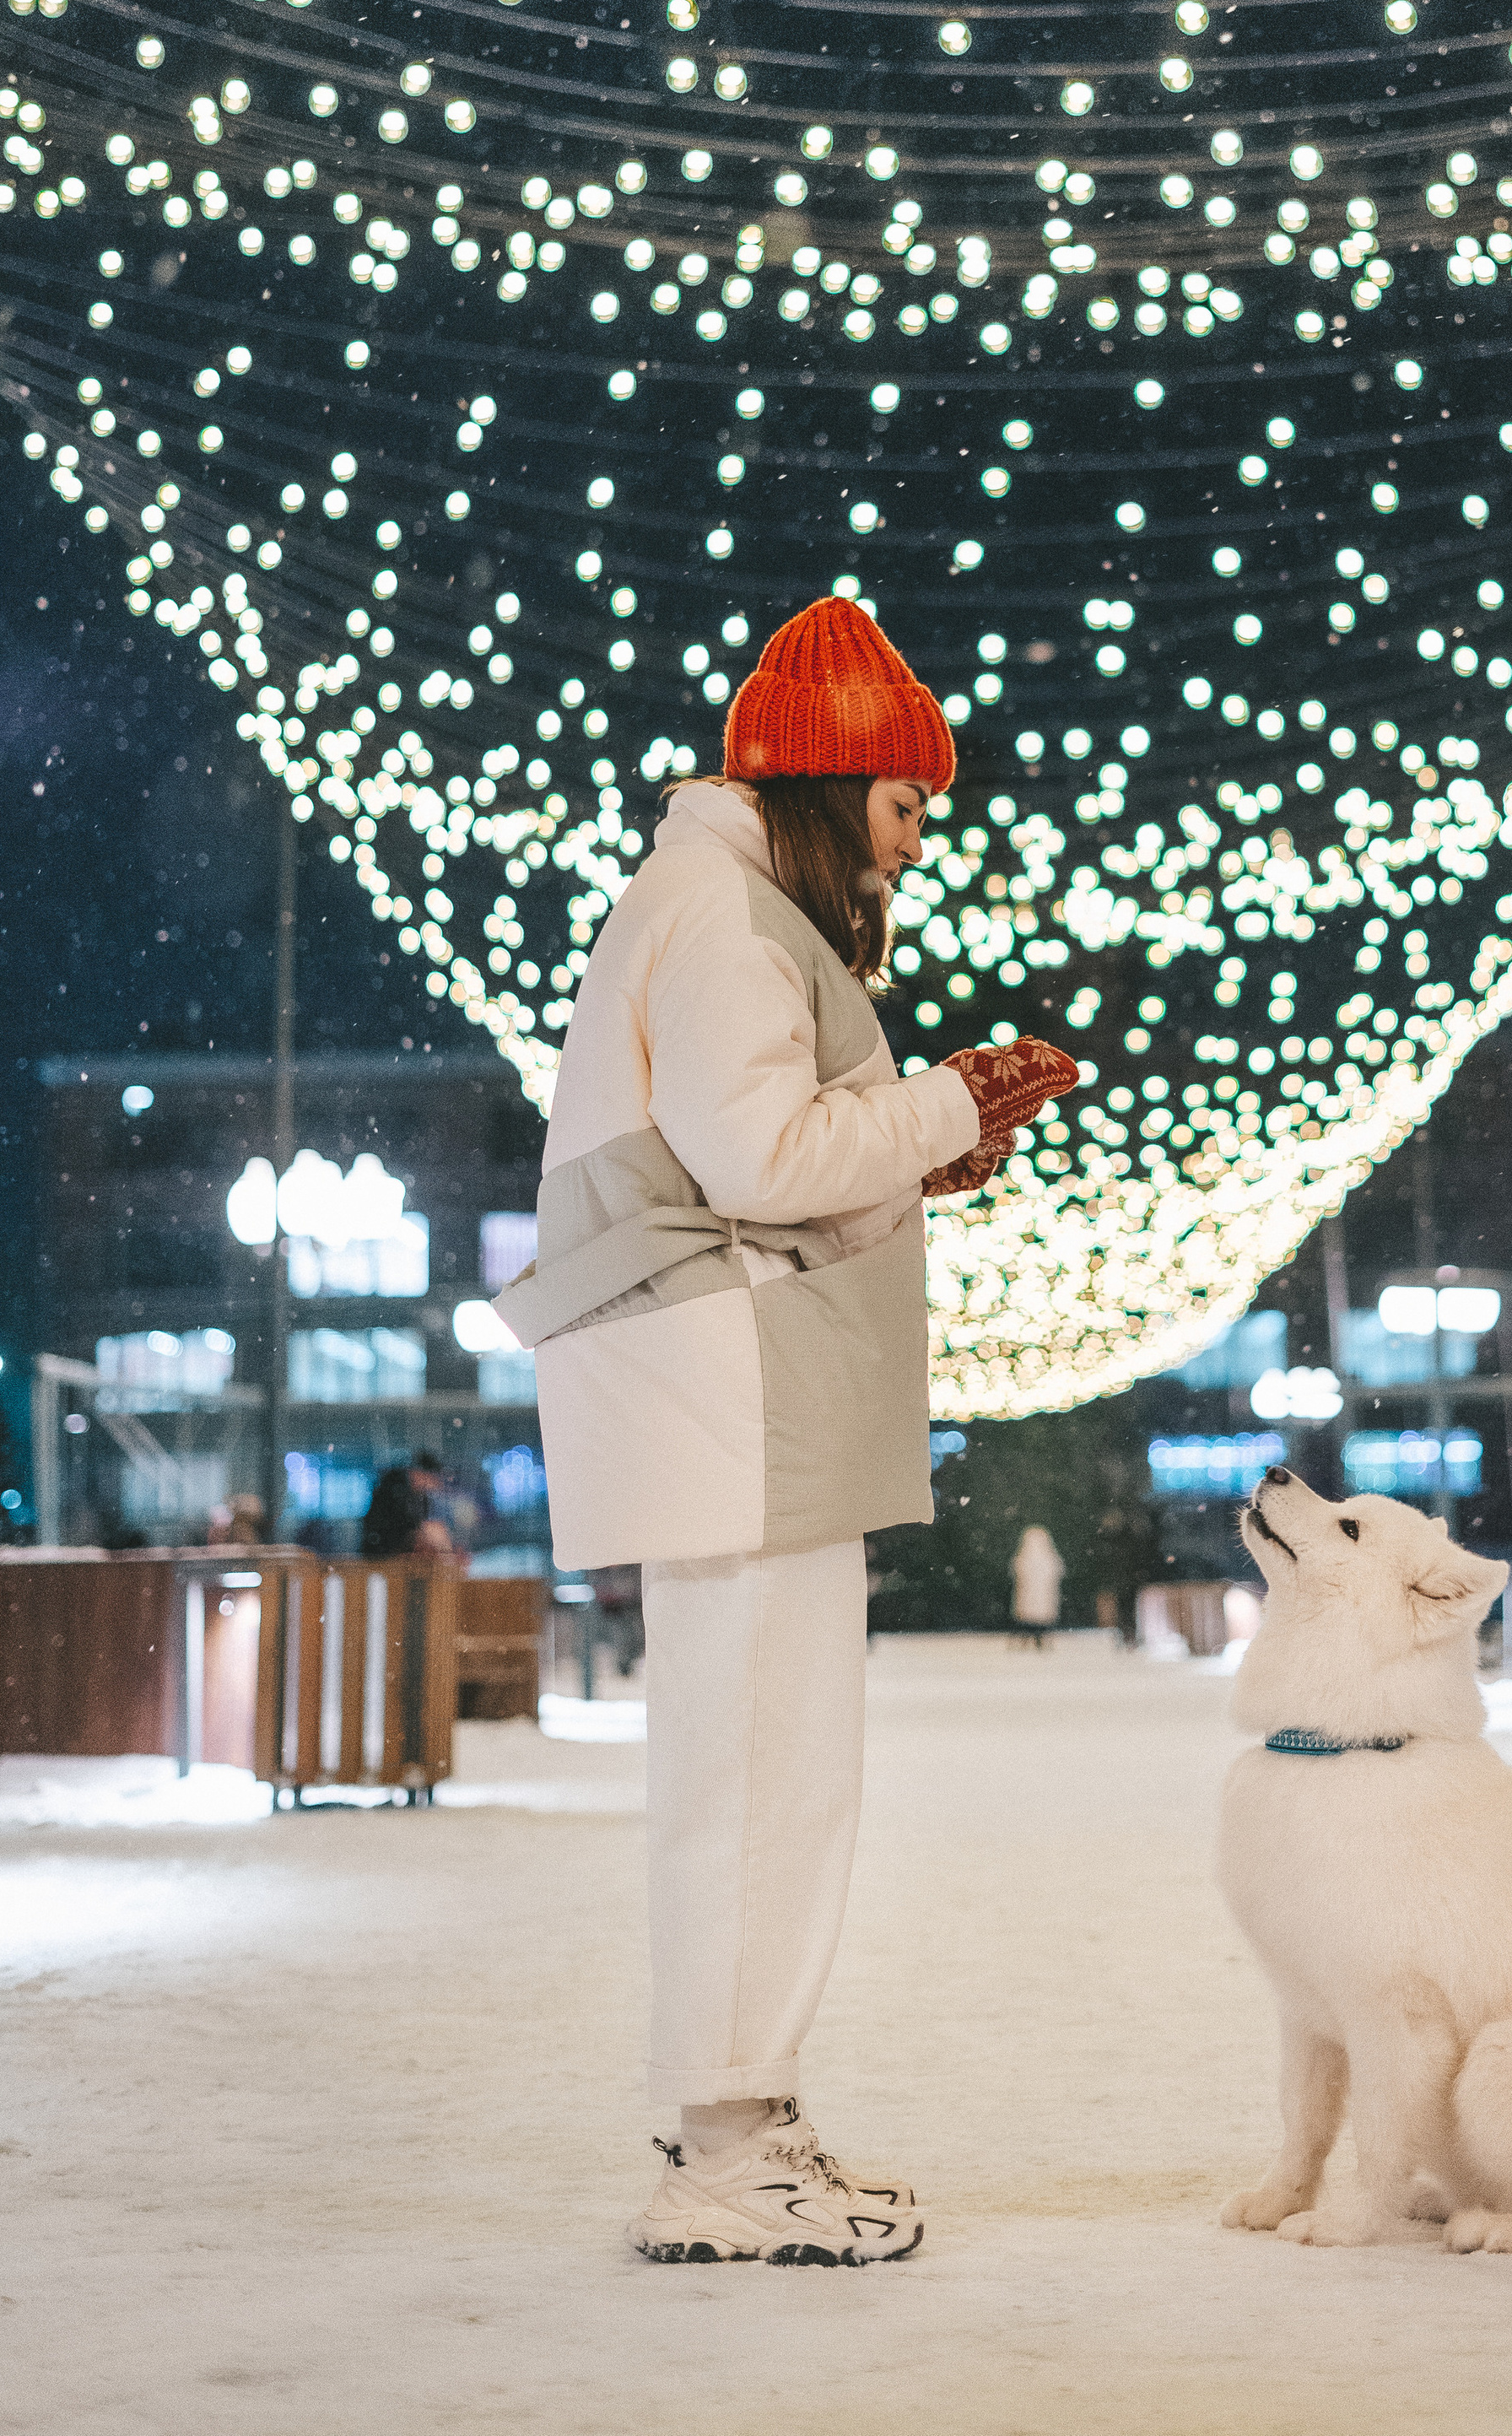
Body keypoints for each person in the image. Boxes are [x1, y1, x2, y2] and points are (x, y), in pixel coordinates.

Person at [494, 596, 1074, 2268]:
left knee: (748, 1777)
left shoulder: (702, 905)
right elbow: (754, 1163)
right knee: (767, 1780)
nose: (912, 847)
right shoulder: (730, 917)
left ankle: (735, 2125)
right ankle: (734, 2151)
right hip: (731, 1395)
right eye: (902, 809)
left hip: (724, 1391)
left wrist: (913, 1148)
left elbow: (753, 1152)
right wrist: (949, 1099)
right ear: (831, 785)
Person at [360, 1450, 446, 1560]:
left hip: (398, 1551)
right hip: (382, 1554)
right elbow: (385, 1526)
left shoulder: (419, 1497)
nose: (433, 1485)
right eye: (432, 1479)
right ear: (420, 1473)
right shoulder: (393, 1489)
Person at [1010, 1522, 1065, 1649]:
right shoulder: (1049, 1559)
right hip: (1039, 1605)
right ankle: (1037, 1640)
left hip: (1031, 1604)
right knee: (1037, 1621)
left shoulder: (1024, 1559)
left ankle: (1031, 1640)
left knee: (1029, 1622)